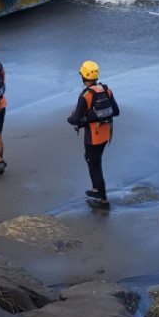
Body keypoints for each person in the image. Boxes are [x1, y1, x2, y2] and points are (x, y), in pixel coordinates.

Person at [66, 60, 119, 210]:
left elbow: (75, 120)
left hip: (93, 136)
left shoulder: (86, 95)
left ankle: (103, 200)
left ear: (83, 76)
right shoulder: (106, 90)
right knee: (93, 160)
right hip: (106, 134)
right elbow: (116, 111)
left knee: (95, 165)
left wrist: (69, 118)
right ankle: (96, 190)